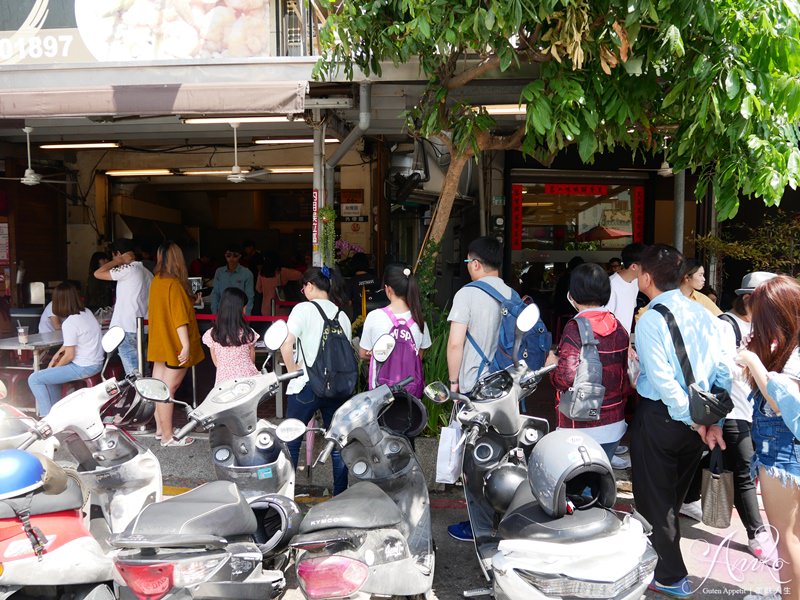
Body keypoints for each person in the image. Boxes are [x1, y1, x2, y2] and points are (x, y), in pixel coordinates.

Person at [631, 244, 731, 597]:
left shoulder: (650, 319)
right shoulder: (705, 315)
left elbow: (663, 382)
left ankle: (672, 576)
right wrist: (709, 421)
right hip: (699, 422)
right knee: (670, 497)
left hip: (663, 418)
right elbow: (724, 371)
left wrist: (691, 418)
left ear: (645, 277)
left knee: (654, 500)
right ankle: (661, 561)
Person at [734, 275, 800, 598]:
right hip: (785, 455)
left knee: (786, 540)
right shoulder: (789, 345)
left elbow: (781, 400)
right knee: (793, 537)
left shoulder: (795, 353)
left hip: (784, 457)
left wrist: (752, 360)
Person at [446, 236, 514, 542]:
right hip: (506, 390)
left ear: (475, 264)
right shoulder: (512, 295)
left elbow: (456, 342)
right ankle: (502, 518)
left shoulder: (467, 294)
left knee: (475, 461)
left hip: (474, 388)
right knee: (500, 456)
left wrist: (453, 384)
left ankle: (480, 527)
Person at [714, 271, 778, 564]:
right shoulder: (725, 325)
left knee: (733, 466)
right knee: (742, 470)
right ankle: (757, 534)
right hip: (734, 410)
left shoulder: (765, 326)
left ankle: (688, 500)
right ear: (749, 299)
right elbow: (722, 371)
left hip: (761, 413)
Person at [279, 265, 352, 496]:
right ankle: (340, 494)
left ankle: (286, 494)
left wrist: (293, 371)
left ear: (310, 286)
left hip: (306, 386)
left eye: (304, 287)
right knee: (337, 442)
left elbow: (285, 343)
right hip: (338, 389)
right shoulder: (342, 315)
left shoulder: (303, 309)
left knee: (291, 439)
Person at [546, 263, 629, 459]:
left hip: (579, 425)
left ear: (572, 294)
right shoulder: (618, 327)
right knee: (599, 482)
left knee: (575, 485)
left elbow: (564, 379)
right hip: (614, 422)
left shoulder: (575, 328)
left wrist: (551, 364)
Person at [147, 241, 205, 447]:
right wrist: (186, 346)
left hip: (159, 344)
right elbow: (179, 318)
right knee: (168, 390)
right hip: (175, 346)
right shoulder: (174, 284)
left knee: (158, 389)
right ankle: (168, 437)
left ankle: (161, 430)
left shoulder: (156, 281)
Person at [28, 282, 104, 417]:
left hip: (83, 367)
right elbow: (68, 345)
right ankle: (57, 414)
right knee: (49, 376)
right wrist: (54, 361)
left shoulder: (70, 323)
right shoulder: (87, 313)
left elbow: (69, 355)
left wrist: (54, 367)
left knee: (35, 379)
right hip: (96, 363)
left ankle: (46, 418)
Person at [359, 263, 431, 383]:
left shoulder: (374, 317)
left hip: (381, 393)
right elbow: (418, 358)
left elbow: (362, 354)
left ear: (388, 289)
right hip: (409, 393)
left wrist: (379, 353)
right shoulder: (419, 320)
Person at [93, 238, 153, 375]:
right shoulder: (148, 273)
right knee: (143, 368)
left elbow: (97, 273)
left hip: (126, 328)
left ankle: (144, 395)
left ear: (118, 253)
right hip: (142, 328)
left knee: (135, 373)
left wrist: (118, 261)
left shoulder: (128, 269)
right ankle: (149, 394)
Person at [202, 287, 258, 386]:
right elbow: (252, 360)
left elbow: (216, 362)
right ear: (239, 309)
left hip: (224, 383)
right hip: (247, 382)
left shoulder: (213, 334)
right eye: (244, 306)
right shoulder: (248, 333)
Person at [605, 243, 645, 336]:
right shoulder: (610, 285)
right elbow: (605, 321)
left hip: (624, 341)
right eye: (646, 264)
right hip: (611, 343)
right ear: (634, 267)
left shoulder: (635, 282)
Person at [211, 243, 254, 315]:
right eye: (228, 255)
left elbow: (249, 297)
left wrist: (247, 316)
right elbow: (215, 294)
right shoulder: (219, 272)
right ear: (225, 256)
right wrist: (214, 313)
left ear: (240, 256)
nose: (231, 258)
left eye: (235, 255)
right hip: (222, 313)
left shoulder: (247, 273)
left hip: (240, 314)